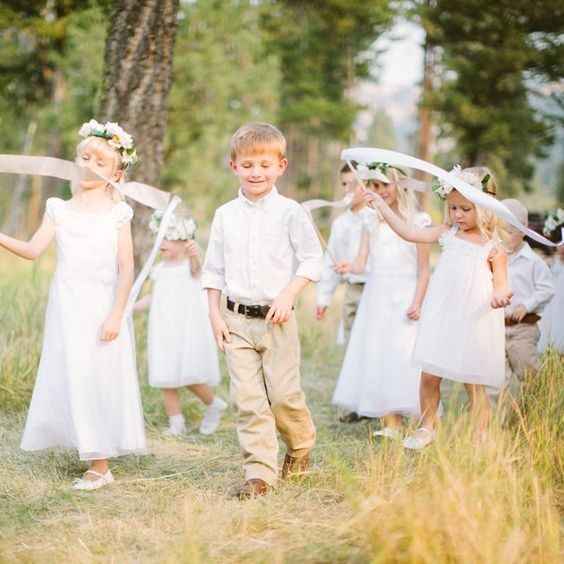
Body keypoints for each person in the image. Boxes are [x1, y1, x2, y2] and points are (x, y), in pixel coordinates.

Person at [1, 119, 146, 490]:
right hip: (68, 306)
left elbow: (126, 267)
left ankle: (101, 465)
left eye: (99, 163)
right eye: (84, 158)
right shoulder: (59, 209)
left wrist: (117, 313)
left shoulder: (118, 214)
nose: (88, 166)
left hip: (102, 307)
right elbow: (33, 251)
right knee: (73, 371)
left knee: (97, 374)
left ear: (117, 171)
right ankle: (89, 448)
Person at [202, 123, 323, 498]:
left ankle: (300, 447)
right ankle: (260, 474)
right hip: (235, 321)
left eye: (265, 165)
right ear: (233, 165)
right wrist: (215, 315)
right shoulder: (225, 215)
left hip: (277, 320)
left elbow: (311, 259)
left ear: (281, 165)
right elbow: (214, 269)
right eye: (249, 164)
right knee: (248, 399)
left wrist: (289, 295)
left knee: (284, 396)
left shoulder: (290, 212)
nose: (257, 172)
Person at [366, 166, 512, 449]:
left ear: (483, 208)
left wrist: (501, 295)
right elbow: (409, 233)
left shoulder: (494, 247)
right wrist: (382, 205)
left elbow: (502, 284)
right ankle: (427, 426)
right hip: (442, 314)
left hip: (473, 317)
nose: (457, 214)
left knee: (474, 380)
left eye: (465, 209)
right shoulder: (447, 232)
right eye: (453, 207)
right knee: (430, 375)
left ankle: (480, 436)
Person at [332, 163, 431, 439]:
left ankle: (421, 418)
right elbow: (362, 262)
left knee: (405, 355)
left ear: (398, 184)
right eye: (374, 186)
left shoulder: (419, 220)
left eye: (384, 184)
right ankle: (391, 424)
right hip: (377, 294)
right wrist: (348, 266)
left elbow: (424, 270)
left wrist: (419, 301)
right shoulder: (370, 220)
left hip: (406, 294)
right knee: (379, 354)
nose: (379, 191)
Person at [135, 211, 225, 436]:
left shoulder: (191, 267)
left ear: (184, 243)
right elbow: (154, 297)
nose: (161, 243)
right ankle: (176, 423)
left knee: (189, 375)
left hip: (185, 329)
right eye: (160, 238)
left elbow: (202, 273)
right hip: (164, 329)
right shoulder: (160, 270)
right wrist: (131, 308)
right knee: (165, 376)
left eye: (168, 238)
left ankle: (214, 404)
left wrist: (196, 255)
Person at [315, 162, 375, 423]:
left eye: (355, 184)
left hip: (378, 288)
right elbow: (330, 263)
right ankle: (356, 403)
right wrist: (323, 297)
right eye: (344, 184)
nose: (349, 190)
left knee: (377, 345)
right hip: (353, 290)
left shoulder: (377, 217)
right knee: (353, 346)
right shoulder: (341, 223)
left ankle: (379, 402)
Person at [498, 199, 553, 396]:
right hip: (496, 328)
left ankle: (535, 414)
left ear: (524, 230)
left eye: (511, 232)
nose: (505, 237)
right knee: (495, 383)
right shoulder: (495, 257)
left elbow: (547, 289)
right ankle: (497, 423)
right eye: (501, 231)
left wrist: (527, 305)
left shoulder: (533, 262)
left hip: (523, 330)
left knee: (529, 376)